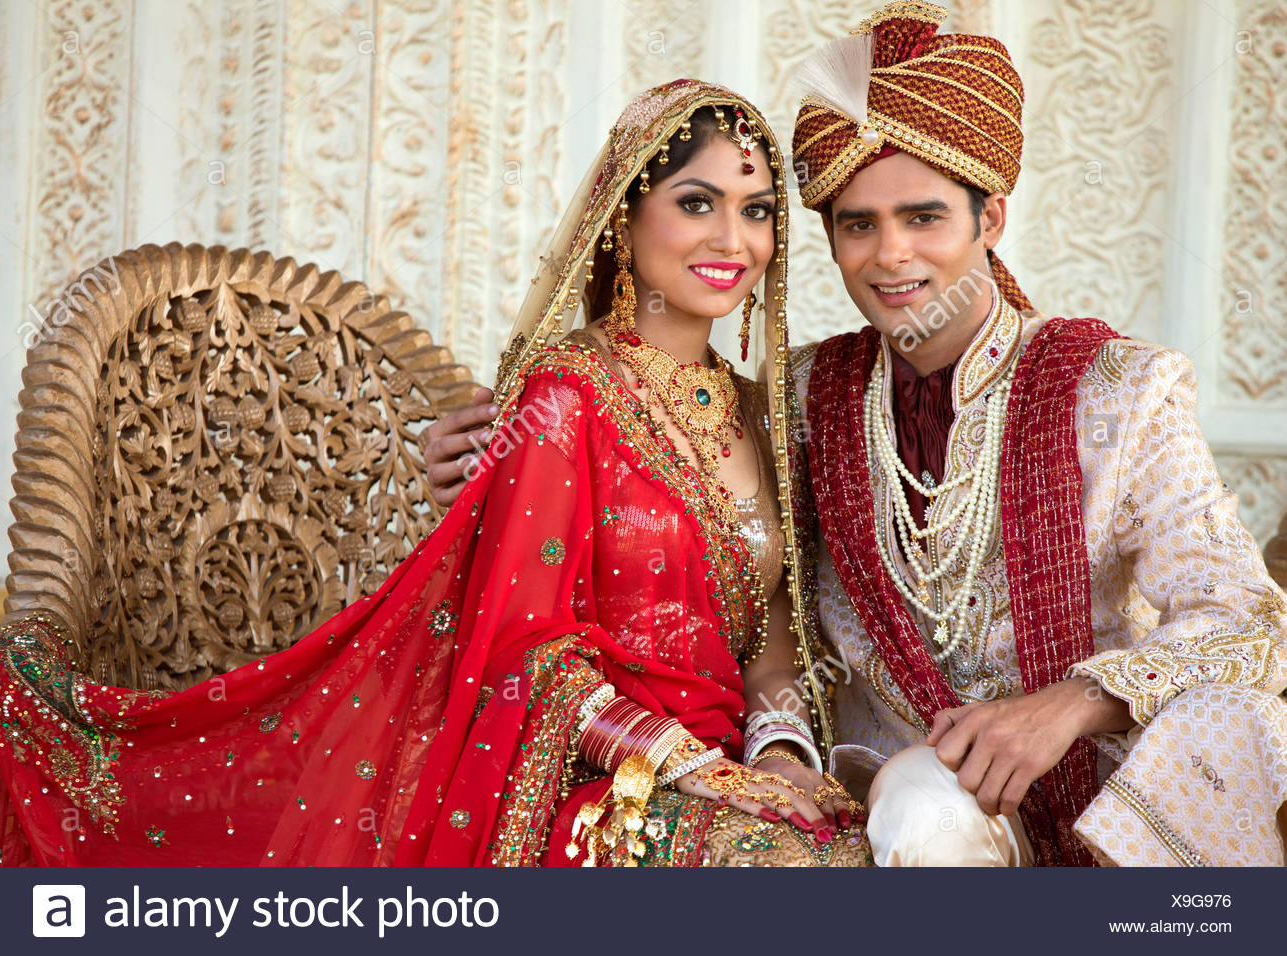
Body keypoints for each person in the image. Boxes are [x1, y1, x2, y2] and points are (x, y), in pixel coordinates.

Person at [425, 2, 1287, 867]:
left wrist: (1067, 704)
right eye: (857, 224)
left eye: (924, 218)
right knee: (923, 808)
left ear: (990, 220)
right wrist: (486, 469)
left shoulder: (1122, 390)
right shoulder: (799, 398)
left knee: (1234, 719)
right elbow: (688, 528)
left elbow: (1247, 621)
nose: (890, 257)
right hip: (916, 800)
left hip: (1103, 790)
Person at [0, 79, 869, 867]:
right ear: (626, 218)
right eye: (697, 202)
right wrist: (681, 764)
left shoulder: (760, 411)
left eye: (757, 211)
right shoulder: (565, 398)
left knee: (854, 849)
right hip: (591, 776)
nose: (733, 239)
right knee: (781, 872)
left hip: (726, 767)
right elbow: (530, 651)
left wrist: (781, 756)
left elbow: (771, 637)